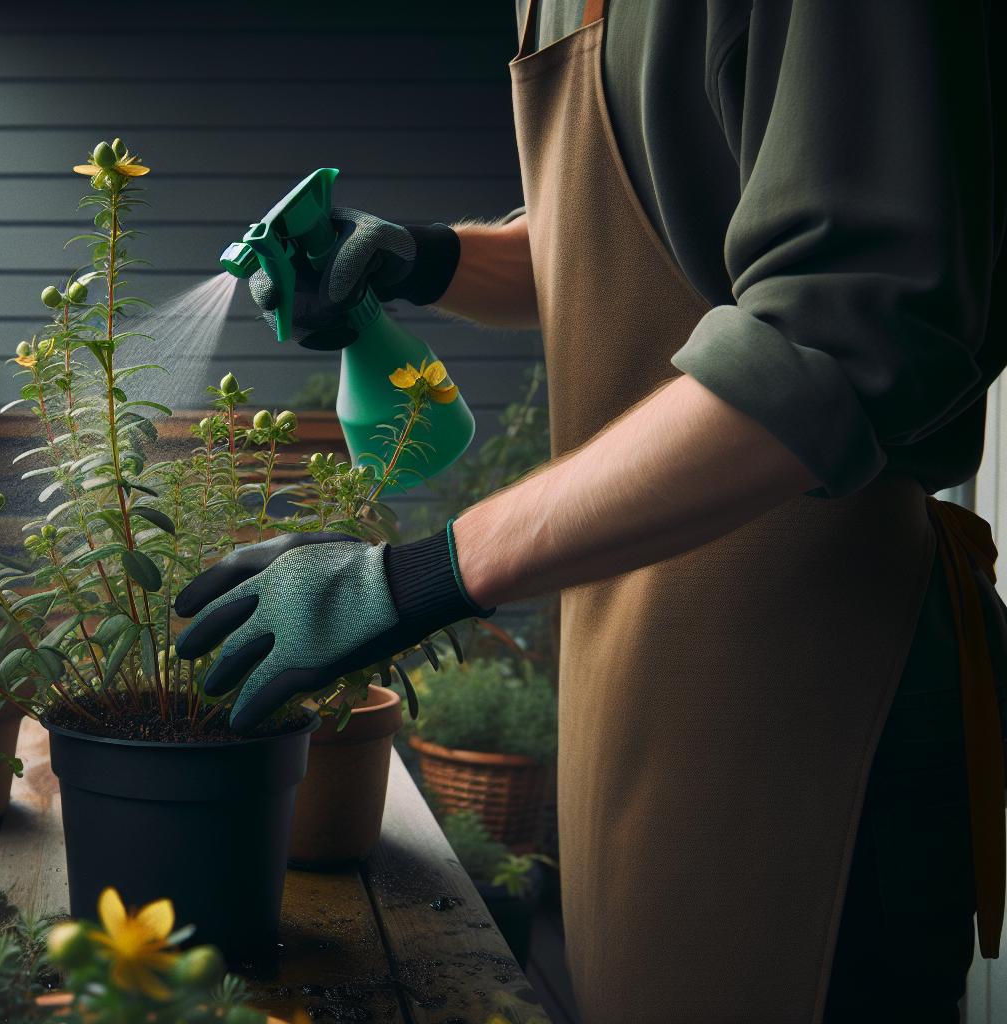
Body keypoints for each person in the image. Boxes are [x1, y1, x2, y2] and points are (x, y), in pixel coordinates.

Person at [172, 1, 1007, 1019]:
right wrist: (426, 257)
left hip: (813, 679)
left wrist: (418, 576)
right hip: (626, 644)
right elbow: (628, 240)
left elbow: (833, 337)